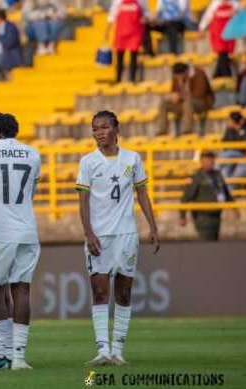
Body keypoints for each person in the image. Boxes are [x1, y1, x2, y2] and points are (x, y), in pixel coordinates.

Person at [76, 110, 160, 366]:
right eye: (94, 128)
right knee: (100, 291)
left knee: (123, 294)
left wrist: (153, 227)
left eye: (103, 127)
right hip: (99, 236)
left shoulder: (132, 159)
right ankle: (103, 349)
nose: (98, 132)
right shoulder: (88, 162)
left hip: (126, 235)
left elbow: (142, 194)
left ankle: (117, 350)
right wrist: (88, 232)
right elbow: (83, 200)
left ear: (116, 128)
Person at [0, 113, 42, 370]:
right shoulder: (33, 154)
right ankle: (19, 357)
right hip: (27, 227)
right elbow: (31, 193)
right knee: (22, 290)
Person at [180, 151, 234, 241]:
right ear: (201, 161)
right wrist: (182, 215)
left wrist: (234, 207)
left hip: (216, 215)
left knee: (214, 240)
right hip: (202, 216)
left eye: (210, 159)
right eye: (206, 160)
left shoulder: (217, 175)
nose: (209, 162)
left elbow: (225, 192)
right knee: (206, 241)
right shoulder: (197, 176)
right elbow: (187, 196)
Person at [157, 62, 215, 136]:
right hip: (184, 104)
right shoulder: (176, 78)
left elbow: (200, 93)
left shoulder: (199, 74)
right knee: (164, 103)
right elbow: (174, 91)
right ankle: (162, 130)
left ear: (186, 72)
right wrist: (174, 96)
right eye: (176, 77)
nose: (178, 78)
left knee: (188, 102)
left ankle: (187, 130)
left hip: (202, 103)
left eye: (180, 76)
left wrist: (181, 96)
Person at [105, 0, 150, 83]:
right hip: (121, 33)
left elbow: (146, 13)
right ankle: (118, 78)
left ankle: (132, 79)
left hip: (135, 33)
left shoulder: (141, 1)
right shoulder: (118, 1)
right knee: (119, 57)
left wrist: (144, 19)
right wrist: (107, 31)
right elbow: (112, 15)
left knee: (134, 57)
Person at [199, 0, 240, 78]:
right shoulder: (215, 3)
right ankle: (227, 75)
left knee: (224, 54)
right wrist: (202, 27)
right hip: (218, 30)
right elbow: (208, 15)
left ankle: (217, 76)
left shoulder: (234, 3)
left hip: (229, 30)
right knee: (222, 53)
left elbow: (239, 14)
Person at [219, 111, 246, 183]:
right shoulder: (229, 130)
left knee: (238, 173)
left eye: (229, 120)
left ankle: (216, 167)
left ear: (235, 121)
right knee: (227, 165)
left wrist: (239, 130)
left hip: (243, 156)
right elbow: (224, 143)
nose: (227, 122)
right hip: (232, 155)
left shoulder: (244, 129)